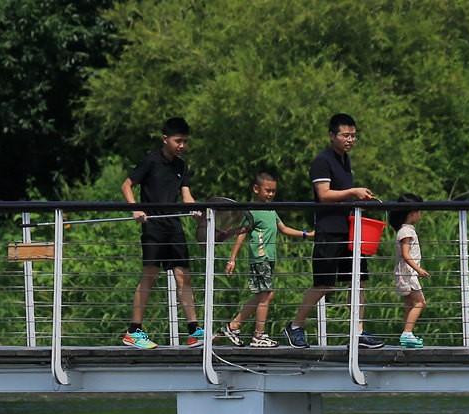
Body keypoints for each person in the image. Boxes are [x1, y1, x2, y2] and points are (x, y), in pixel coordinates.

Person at [283, 113, 384, 350]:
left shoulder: (344, 160)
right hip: (329, 229)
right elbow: (324, 194)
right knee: (324, 283)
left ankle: (358, 331)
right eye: (345, 135)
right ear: (332, 136)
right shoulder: (323, 160)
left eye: (353, 135)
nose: (350, 140)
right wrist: (353, 192)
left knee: (358, 280)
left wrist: (359, 197)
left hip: (349, 229)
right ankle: (295, 326)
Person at [121, 117, 202, 349]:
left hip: (173, 226)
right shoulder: (150, 161)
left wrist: (194, 208)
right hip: (153, 226)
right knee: (150, 275)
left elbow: (186, 196)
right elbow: (126, 185)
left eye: (186, 142)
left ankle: (195, 331)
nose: (182, 146)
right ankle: (134, 332)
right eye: (178, 141)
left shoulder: (181, 166)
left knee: (183, 276)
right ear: (165, 139)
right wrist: (136, 208)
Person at [221, 168, 316, 347]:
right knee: (265, 295)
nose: (271, 194)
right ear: (256, 189)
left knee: (265, 295)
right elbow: (241, 233)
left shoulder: (271, 210)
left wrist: (307, 234)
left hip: (270, 258)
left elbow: (284, 228)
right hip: (260, 257)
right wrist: (232, 259)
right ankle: (258, 336)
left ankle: (234, 326)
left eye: (273, 191)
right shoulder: (253, 211)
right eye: (268, 190)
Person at [391, 195, 429, 348]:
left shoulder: (404, 230)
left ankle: (407, 334)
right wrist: (419, 269)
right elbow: (406, 255)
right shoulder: (407, 231)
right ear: (412, 212)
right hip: (408, 274)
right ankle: (407, 333)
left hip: (405, 273)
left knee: (409, 304)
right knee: (420, 302)